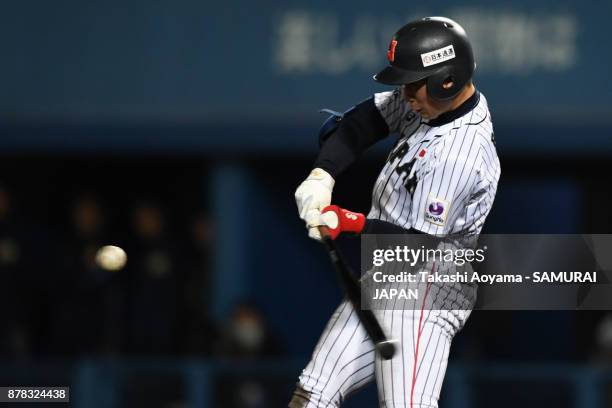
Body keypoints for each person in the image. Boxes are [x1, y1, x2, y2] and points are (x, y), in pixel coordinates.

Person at [290, 17, 501, 407]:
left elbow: (416, 243)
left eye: (412, 83)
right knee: (312, 394)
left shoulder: (462, 154)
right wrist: (323, 176)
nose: (403, 93)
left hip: (429, 287)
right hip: (388, 271)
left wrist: (345, 221)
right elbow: (360, 123)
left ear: (446, 80)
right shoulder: (428, 103)